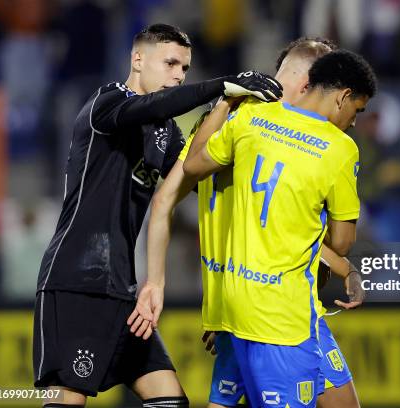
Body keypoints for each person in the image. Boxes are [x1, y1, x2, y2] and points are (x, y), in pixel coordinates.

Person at [33, 23, 282, 408]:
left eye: (184, 68)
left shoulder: (163, 130)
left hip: (123, 289)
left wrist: (228, 108)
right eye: (170, 63)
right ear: (137, 59)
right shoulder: (107, 102)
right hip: (77, 281)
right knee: (69, 398)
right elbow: (153, 105)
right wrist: (223, 85)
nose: (178, 75)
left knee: (169, 399)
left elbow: (196, 171)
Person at [140, 38, 366, 408]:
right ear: (310, 83)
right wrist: (158, 284)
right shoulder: (255, 120)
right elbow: (169, 200)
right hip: (265, 309)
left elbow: (169, 199)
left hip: (257, 303)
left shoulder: (231, 115)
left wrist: (343, 267)